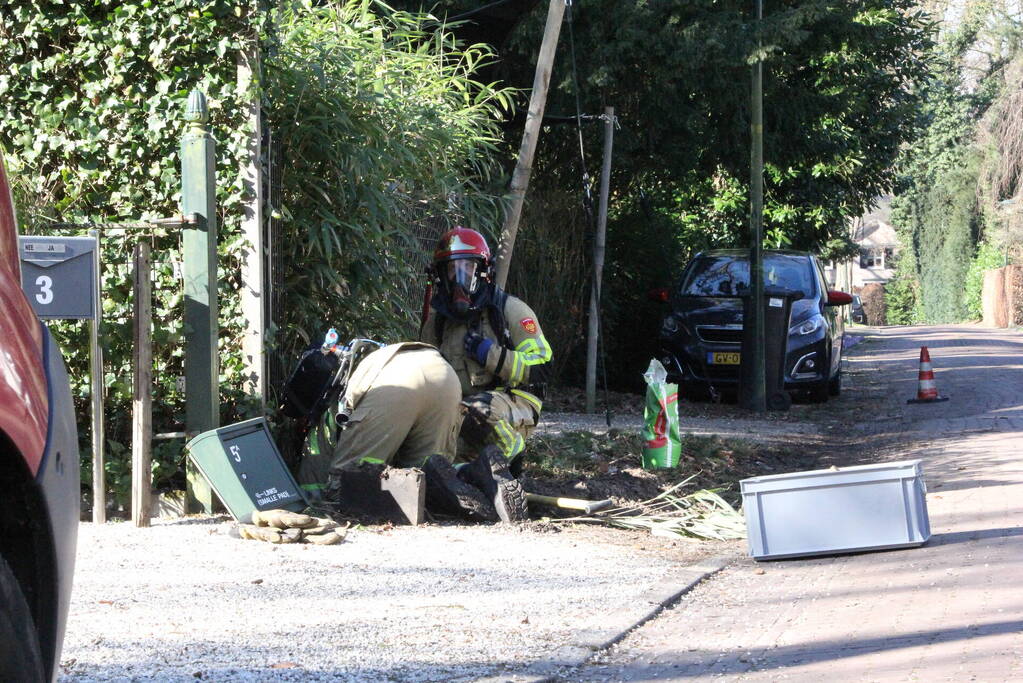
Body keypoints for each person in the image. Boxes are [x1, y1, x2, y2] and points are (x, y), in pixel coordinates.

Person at [420, 227, 553, 520]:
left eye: (467, 267)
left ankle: (512, 462)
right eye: (452, 270)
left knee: (478, 409)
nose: (460, 278)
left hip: (513, 403)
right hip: (462, 414)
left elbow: (542, 369)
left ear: (483, 271)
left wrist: (491, 355)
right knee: (434, 457)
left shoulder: (510, 310)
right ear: (440, 275)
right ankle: (472, 477)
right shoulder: (438, 324)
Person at [298, 342, 502, 522]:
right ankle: (474, 476)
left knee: (350, 480)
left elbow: (320, 463)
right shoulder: (370, 352)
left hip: (396, 382)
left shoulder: (332, 394)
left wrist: (317, 500)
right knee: (427, 475)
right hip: (445, 376)